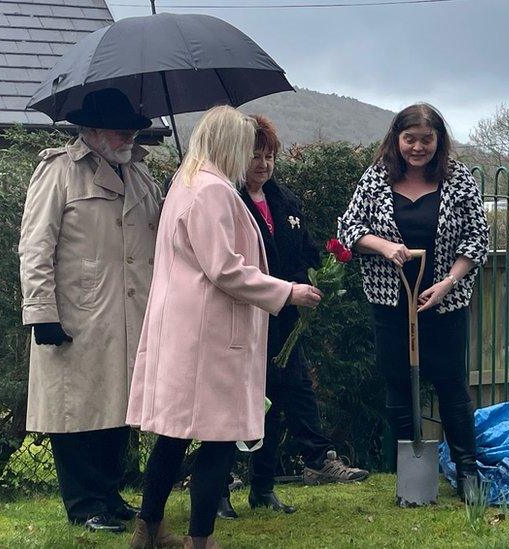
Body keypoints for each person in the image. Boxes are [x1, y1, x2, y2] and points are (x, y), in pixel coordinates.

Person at [126, 105, 322, 549]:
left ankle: (149, 528)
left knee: (175, 434)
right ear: (228, 144)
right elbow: (224, 268)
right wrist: (286, 291)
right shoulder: (213, 190)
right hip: (209, 332)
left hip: (187, 326)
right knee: (220, 434)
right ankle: (201, 539)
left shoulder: (184, 181)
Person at [18, 87, 160, 533]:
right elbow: (35, 245)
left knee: (117, 408)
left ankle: (110, 495)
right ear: (94, 132)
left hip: (129, 311)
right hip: (77, 312)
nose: (129, 139)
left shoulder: (142, 177)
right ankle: (84, 504)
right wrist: (40, 311)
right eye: (121, 131)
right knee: (76, 410)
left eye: (134, 131)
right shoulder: (58, 172)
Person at [213, 114, 368, 519]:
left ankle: (264, 488)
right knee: (238, 404)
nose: (263, 164)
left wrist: (305, 287)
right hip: (242, 318)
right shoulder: (225, 200)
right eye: (254, 155)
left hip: (284, 320)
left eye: (269, 156)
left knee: (281, 400)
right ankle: (219, 490)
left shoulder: (287, 202)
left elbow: (306, 253)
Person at [337, 103, 489, 502]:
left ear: (438, 141)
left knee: (451, 384)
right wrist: (385, 246)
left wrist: (447, 283)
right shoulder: (376, 179)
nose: (417, 147)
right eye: (410, 139)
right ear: (397, 139)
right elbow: (349, 227)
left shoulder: (458, 180)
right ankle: (411, 477)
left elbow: (477, 238)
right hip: (391, 302)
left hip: (444, 301)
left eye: (426, 139)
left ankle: (467, 472)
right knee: (398, 385)